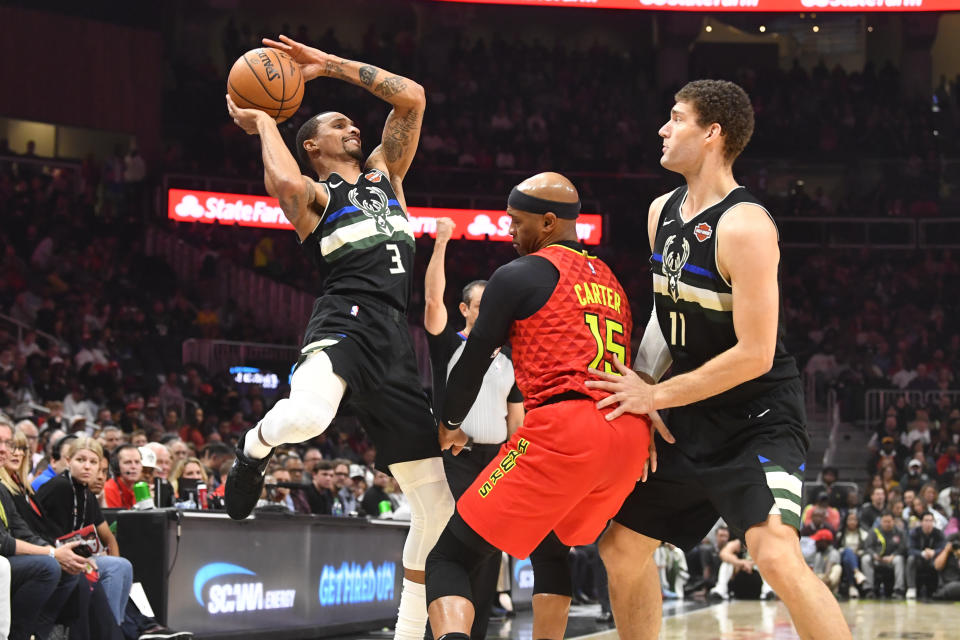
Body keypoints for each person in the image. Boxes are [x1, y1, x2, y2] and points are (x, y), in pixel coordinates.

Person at [585, 80, 851, 639]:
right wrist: (642, 384)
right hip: (689, 409)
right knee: (620, 546)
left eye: (676, 118)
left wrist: (655, 394)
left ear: (712, 133)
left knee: (774, 553)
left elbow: (754, 355)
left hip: (757, 416)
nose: (663, 128)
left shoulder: (747, 225)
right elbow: (665, 313)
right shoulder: (662, 211)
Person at [224, 34, 454, 640]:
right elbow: (281, 184)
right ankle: (253, 446)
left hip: (394, 338)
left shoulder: (386, 173)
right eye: (337, 122)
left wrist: (328, 68)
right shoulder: (318, 198)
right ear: (311, 144)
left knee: (439, 508)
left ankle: (407, 633)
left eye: (352, 120)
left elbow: (412, 99)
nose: (352, 125)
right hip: (344, 316)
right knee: (308, 419)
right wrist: (262, 120)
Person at [425, 172, 652, 640]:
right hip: (627, 434)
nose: (509, 231)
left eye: (515, 221)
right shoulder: (611, 280)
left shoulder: (519, 275)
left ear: (548, 222)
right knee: (551, 546)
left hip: (567, 428)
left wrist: (448, 421)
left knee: (448, 558)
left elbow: (472, 359)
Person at [423, 216, 524, 640]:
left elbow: (518, 421)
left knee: (488, 560)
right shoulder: (450, 345)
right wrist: (442, 243)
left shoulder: (509, 357)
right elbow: (431, 302)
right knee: (455, 554)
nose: (488, 313)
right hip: (456, 460)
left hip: (497, 463)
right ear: (464, 310)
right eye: (480, 306)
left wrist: (514, 461)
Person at [906, 511, 944, 600]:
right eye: (926, 520)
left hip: (933, 560)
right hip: (919, 560)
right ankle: (911, 588)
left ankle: (941, 587)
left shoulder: (938, 533)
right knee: (911, 559)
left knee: (943, 559)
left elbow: (943, 548)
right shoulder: (914, 532)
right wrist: (922, 553)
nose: (928, 523)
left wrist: (934, 552)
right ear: (921, 522)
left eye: (931, 521)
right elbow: (909, 549)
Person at [104, 444, 142, 509]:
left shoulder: (142, 488)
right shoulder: (109, 488)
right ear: (117, 466)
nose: (133, 467)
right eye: (128, 462)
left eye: (137, 462)